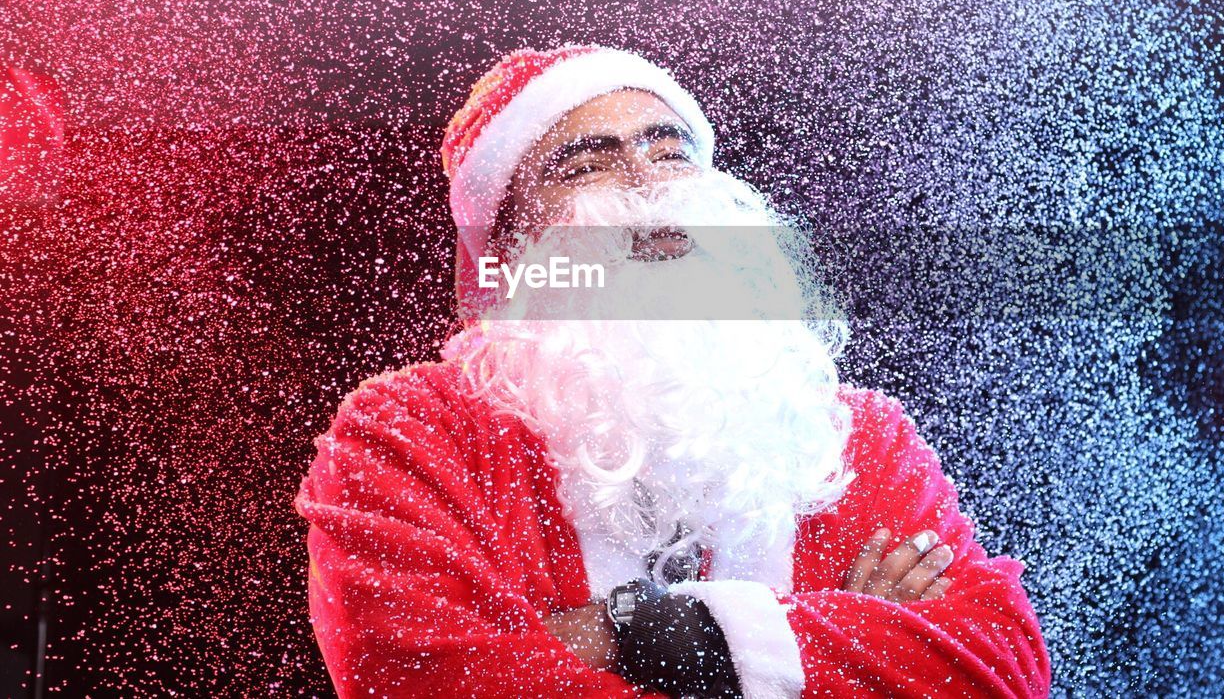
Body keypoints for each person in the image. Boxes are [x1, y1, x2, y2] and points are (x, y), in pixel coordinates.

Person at [294, 43, 1052, 698]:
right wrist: (825, 638)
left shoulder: (853, 434)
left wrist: (629, 631)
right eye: (586, 163)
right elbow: (422, 678)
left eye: (668, 149)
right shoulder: (410, 430)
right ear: (514, 240)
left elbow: (998, 665)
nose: (646, 181)